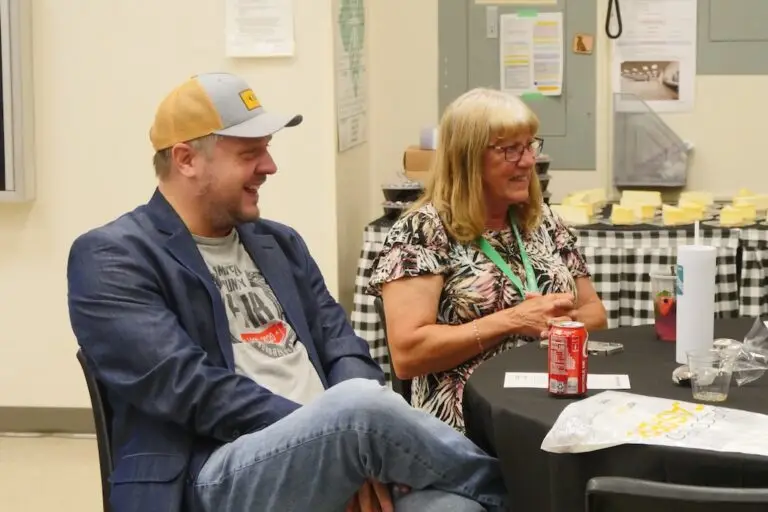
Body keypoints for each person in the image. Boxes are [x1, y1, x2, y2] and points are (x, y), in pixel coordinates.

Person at [66, 73, 509, 512]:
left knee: (456, 508)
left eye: (267, 150)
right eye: (249, 153)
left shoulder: (279, 243)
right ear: (186, 159)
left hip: (337, 444)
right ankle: (540, 495)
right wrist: (330, 432)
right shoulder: (112, 257)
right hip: (210, 473)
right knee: (360, 409)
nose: (269, 167)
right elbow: (190, 388)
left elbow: (343, 347)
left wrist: (342, 448)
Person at [366, 88, 607, 433]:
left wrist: (551, 324)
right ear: (467, 158)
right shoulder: (423, 230)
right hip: (471, 430)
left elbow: (595, 315)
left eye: (529, 146)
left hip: (554, 411)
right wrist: (513, 320)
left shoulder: (543, 222)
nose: (527, 162)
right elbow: (408, 354)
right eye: (510, 149)